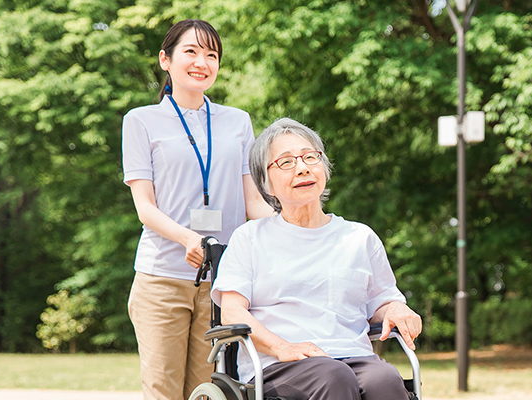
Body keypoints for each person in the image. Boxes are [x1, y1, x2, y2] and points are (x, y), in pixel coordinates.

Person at [211, 118, 423, 400]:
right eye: (286, 162)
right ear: (266, 183)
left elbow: (382, 301)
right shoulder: (249, 238)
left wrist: (395, 308)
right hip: (280, 365)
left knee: (384, 380)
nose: (302, 167)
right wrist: (282, 347)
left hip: (354, 357)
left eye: (310, 157)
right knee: (334, 376)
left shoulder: (359, 237)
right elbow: (232, 312)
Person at [121, 19, 274, 400]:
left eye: (211, 55)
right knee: (164, 391)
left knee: (210, 392)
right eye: (190, 51)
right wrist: (190, 237)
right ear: (165, 59)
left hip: (223, 281)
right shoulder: (140, 121)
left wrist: (299, 227)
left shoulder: (237, 121)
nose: (201, 62)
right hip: (161, 278)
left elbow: (253, 201)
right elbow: (145, 208)